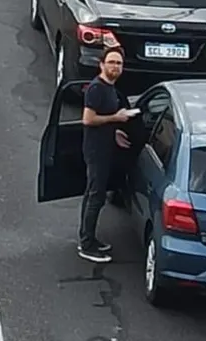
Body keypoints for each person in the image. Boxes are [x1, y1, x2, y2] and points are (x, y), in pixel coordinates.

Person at [79, 49, 135, 264]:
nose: (115, 67)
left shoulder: (110, 88)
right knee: (96, 196)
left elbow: (102, 121)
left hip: (105, 147)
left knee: (93, 194)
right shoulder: (96, 89)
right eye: (111, 62)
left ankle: (88, 237)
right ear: (101, 65)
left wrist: (115, 130)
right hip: (96, 151)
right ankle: (87, 244)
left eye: (119, 63)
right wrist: (116, 117)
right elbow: (88, 119)